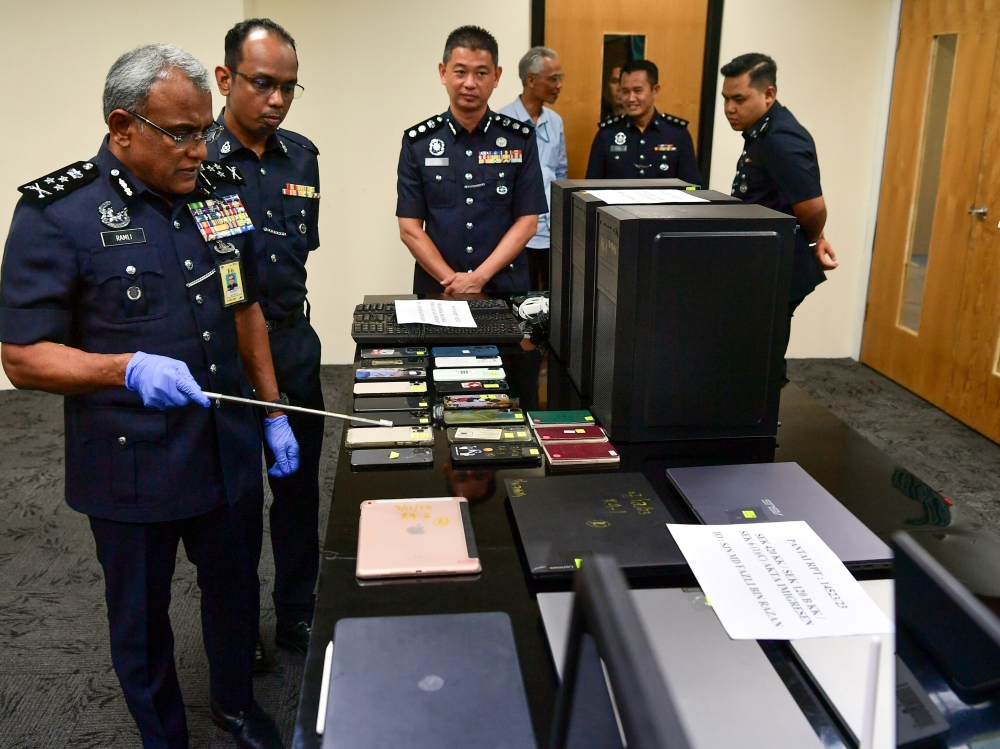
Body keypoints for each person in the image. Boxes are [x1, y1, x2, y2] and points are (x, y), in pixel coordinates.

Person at [0, 44, 298, 749]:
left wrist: (273, 411)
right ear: (122, 126)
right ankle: (164, 736)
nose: (202, 148)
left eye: (205, 130)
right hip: (131, 462)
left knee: (234, 588)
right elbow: (21, 357)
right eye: (182, 134)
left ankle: (235, 704)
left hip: (223, 444)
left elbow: (244, 307)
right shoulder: (59, 212)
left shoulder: (218, 192)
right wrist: (125, 368)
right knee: (139, 617)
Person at [208, 17, 322, 664]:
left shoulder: (301, 156)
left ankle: (297, 611)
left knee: (299, 490)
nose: (277, 99)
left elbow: (298, 253)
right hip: (222, 353)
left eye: (288, 87)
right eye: (262, 84)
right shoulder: (195, 160)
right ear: (226, 78)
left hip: (292, 342)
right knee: (234, 500)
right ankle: (238, 625)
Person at [396, 25, 548, 294]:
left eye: (481, 73)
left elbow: (528, 222)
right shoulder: (418, 143)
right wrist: (454, 282)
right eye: (460, 72)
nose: (470, 83)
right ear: (443, 73)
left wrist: (478, 278)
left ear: (496, 76)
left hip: (504, 286)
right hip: (439, 289)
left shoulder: (519, 140)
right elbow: (409, 228)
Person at [720, 53, 838, 377]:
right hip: (762, 262)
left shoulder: (781, 138)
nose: (729, 108)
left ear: (768, 94)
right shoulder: (762, 131)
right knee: (754, 353)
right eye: (726, 99)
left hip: (777, 265)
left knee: (763, 360)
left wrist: (814, 241)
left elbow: (813, 208)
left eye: (739, 99)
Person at [498, 46, 568, 290]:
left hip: (552, 231)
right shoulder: (502, 122)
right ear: (531, 80)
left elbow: (560, 172)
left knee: (554, 299)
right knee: (519, 299)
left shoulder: (555, 121)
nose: (559, 85)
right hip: (516, 233)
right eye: (554, 78)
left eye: (560, 77)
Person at [586, 59, 700, 184]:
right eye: (625, 91)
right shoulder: (607, 134)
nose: (631, 98)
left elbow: (691, 187)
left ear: (655, 91)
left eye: (638, 90)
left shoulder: (677, 134)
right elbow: (591, 186)